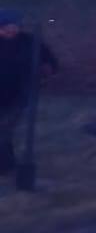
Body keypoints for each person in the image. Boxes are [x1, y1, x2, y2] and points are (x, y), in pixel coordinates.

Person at [1, 13, 59, 175]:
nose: (10, 30)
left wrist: (48, 71)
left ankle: (6, 166)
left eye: (13, 26)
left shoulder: (30, 42)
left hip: (19, 94)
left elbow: (50, 60)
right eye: (5, 27)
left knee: (5, 129)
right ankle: (6, 164)